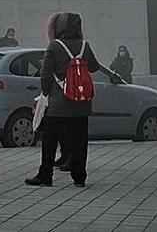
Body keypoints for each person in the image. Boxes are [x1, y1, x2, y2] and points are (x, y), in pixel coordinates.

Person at [25, 12, 101, 188]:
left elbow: (45, 74)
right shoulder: (85, 46)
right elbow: (94, 67)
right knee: (80, 141)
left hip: (58, 105)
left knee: (50, 140)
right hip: (81, 104)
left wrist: (45, 93)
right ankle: (79, 176)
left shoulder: (54, 46)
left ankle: (45, 175)